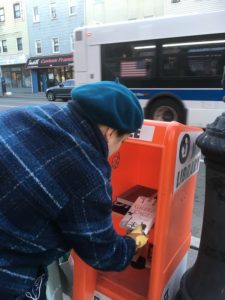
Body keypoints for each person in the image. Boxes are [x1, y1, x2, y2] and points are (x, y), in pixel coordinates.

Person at [0, 80, 148, 299]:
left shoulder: (25, 114)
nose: (117, 150)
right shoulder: (89, 173)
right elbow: (103, 254)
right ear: (109, 132)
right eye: (123, 141)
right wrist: (137, 238)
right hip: (9, 275)